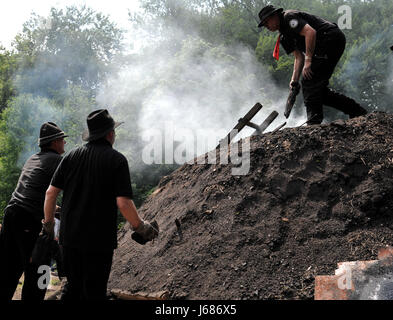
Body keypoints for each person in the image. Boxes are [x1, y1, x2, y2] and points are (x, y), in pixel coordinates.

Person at [43, 109, 158, 300]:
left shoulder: (70, 157)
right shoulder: (117, 160)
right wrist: (140, 227)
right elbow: (123, 203)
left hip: (69, 238)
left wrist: (48, 225)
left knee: (73, 291)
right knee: (94, 293)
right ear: (110, 134)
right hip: (98, 241)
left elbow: (50, 193)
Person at [258, 5, 368, 124]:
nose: (266, 26)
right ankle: (357, 111)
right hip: (323, 46)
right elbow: (298, 57)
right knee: (319, 91)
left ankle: (313, 122)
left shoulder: (289, 18)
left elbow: (310, 32)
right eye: (264, 24)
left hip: (330, 38)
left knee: (308, 81)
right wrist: (294, 81)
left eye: (266, 22)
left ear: (274, 16)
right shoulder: (284, 38)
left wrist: (309, 60)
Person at [0, 122, 67, 300]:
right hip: (27, 218)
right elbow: (60, 192)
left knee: (9, 269)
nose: (64, 143)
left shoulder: (33, 158)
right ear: (54, 142)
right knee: (41, 268)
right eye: (62, 140)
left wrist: (55, 209)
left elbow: (32, 193)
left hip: (11, 214)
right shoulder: (57, 160)